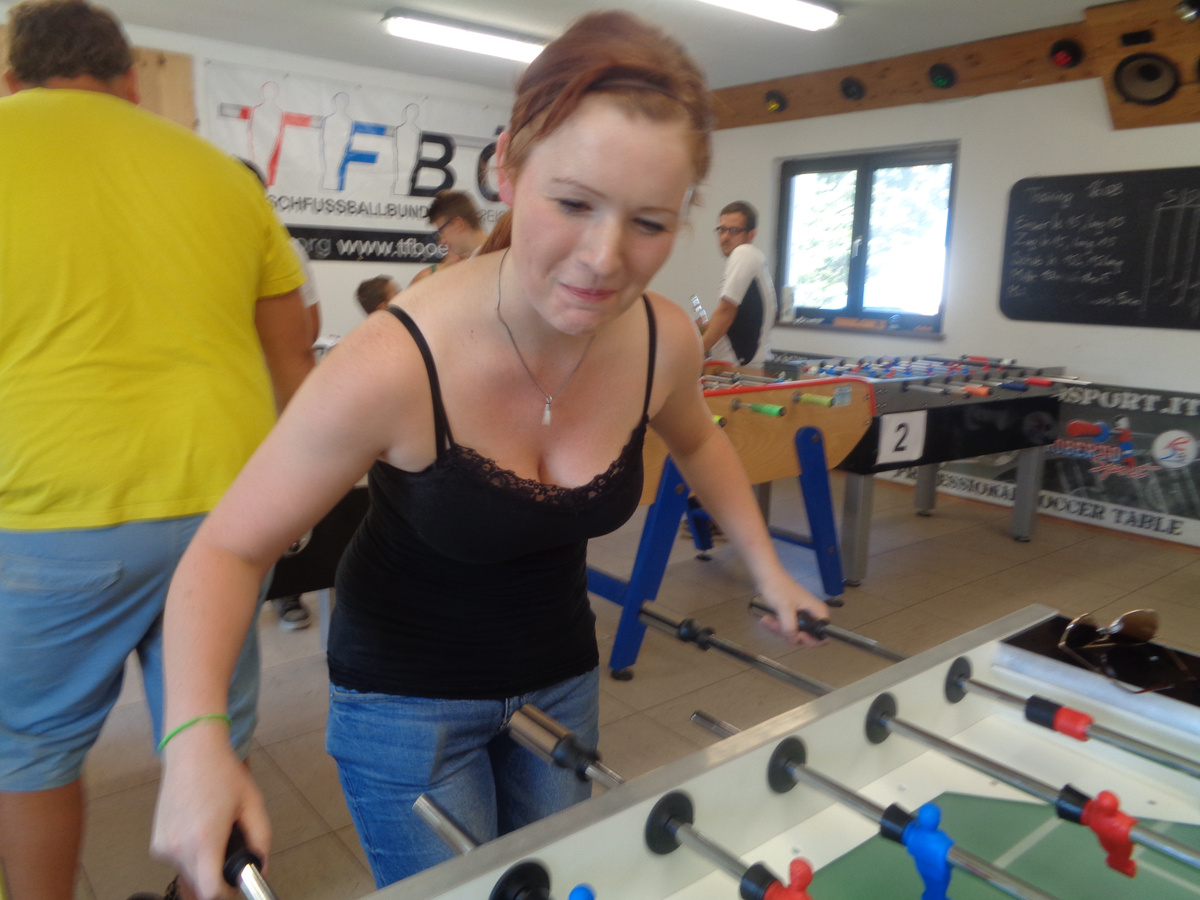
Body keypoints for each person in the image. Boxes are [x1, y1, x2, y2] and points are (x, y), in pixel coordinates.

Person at [150, 10, 827, 894]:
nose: (604, 259)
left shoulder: (663, 339)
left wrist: (768, 568)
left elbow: (699, 440)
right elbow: (227, 550)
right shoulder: (396, 362)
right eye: (572, 203)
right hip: (404, 701)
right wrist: (195, 742)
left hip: (561, 672)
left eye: (649, 222)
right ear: (508, 168)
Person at [0, 3, 315, 900]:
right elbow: (292, 361)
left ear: (11, 78)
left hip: (54, 509)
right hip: (228, 511)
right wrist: (298, 503)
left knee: (32, 747)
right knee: (205, 727)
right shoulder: (223, 176)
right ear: (131, 81)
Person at [701, 200, 779, 366]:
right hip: (751, 366)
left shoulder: (743, 253)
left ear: (751, 235)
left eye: (734, 231)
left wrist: (696, 352)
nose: (725, 237)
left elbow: (726, 311)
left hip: (743, 370)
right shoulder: (755, 259)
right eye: (721, 230)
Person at [408, 188, 488, 286]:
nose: (441, 242)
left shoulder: (497, 259)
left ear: (458, 224)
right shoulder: (465, 266)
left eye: (442, 232)